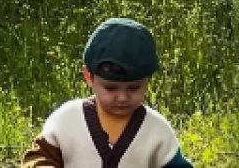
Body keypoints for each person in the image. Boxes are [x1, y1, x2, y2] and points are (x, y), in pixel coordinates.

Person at [22, 17, 194, 168]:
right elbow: (37, 157)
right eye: (111, 88)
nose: (122, 97)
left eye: (134, 88)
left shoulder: (156, 130)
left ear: (147, 81)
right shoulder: (67, 120)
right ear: (89, 77)